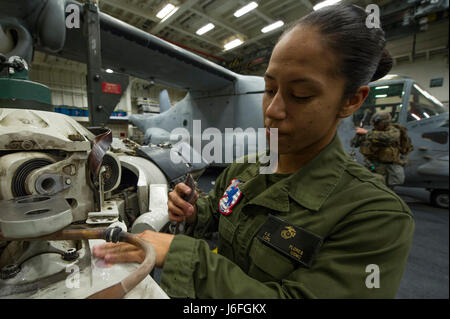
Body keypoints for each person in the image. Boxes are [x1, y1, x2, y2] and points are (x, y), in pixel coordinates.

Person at [93, 4, 414, 298]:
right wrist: (194, 213)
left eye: (300, 95)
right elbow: (218, 214)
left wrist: (182, 256)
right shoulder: (245, 170)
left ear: (352, 100)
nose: (273, 110)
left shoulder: (376, 217)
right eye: (270, 89)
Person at [354, 111, 412, 188]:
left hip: (389, 166)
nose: (376, 126)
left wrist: (366, 133)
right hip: (374, 165)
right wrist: (358, 136)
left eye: (377, 124)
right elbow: (355, 144)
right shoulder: (374, 132)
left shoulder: (394, 131)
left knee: (387, 187)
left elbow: (389, 137)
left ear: (385, 123)